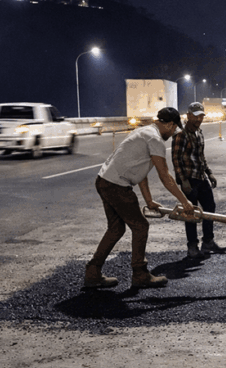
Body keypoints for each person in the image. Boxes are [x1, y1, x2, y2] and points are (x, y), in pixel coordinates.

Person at [84, 107, 195, 289]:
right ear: (169, 124)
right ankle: (140, 274)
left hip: (104, 181)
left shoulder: (143, 132)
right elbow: (165, 175)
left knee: (116, 229)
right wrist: (185, 202)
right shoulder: (155, 139)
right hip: (117, 186)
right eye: (173, 130)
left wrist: (149, 200)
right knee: (140, 226)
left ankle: (92, 273)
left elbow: (140, 171)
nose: (173, 134)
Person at [172, 102, 226, 259]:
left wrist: (209, 174)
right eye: (195, 116)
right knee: (191, 213)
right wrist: (183, 181)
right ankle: (192, 246)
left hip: (201, 177)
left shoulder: (199, 132)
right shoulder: (181, 133)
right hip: (189, 179)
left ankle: (208, 242)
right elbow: (176, 159)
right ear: (188, 115)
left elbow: (200, 157)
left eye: (201, 116)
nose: (198, 119)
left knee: (209, 208)